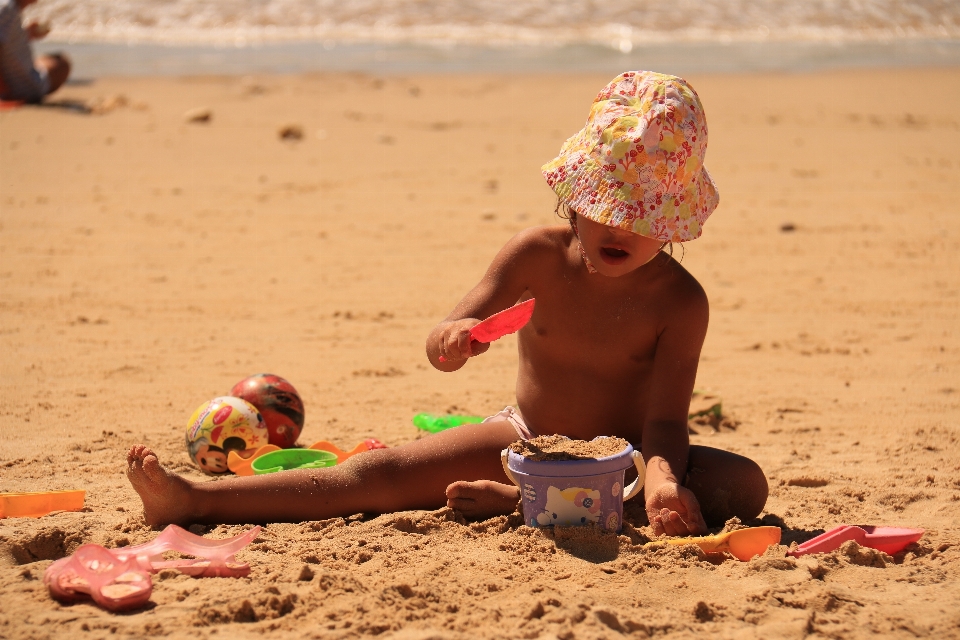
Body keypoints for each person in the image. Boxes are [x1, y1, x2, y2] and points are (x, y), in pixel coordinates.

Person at [126, 71, 768, 537]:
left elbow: (662, 428)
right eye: (606, 206)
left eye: (642, 214)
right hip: (525, 439)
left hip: (617, 461)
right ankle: (195, 500)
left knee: (745, 486)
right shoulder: (535, 256)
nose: (620, 227)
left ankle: (526, 504)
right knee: (375, 475)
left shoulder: (680, 303)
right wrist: (457, 338)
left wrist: (659, 482)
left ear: (675, 221)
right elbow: (443, 341)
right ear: (574, 193)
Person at [0, 0, 69, 103]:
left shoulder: (8, 7)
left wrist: (26, 33)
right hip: (22, 88)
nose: (36, 2)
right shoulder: (7, 9)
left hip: (11, 82)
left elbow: (6, 40)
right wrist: (4, 91)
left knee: (47, 60)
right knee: (62, 63)